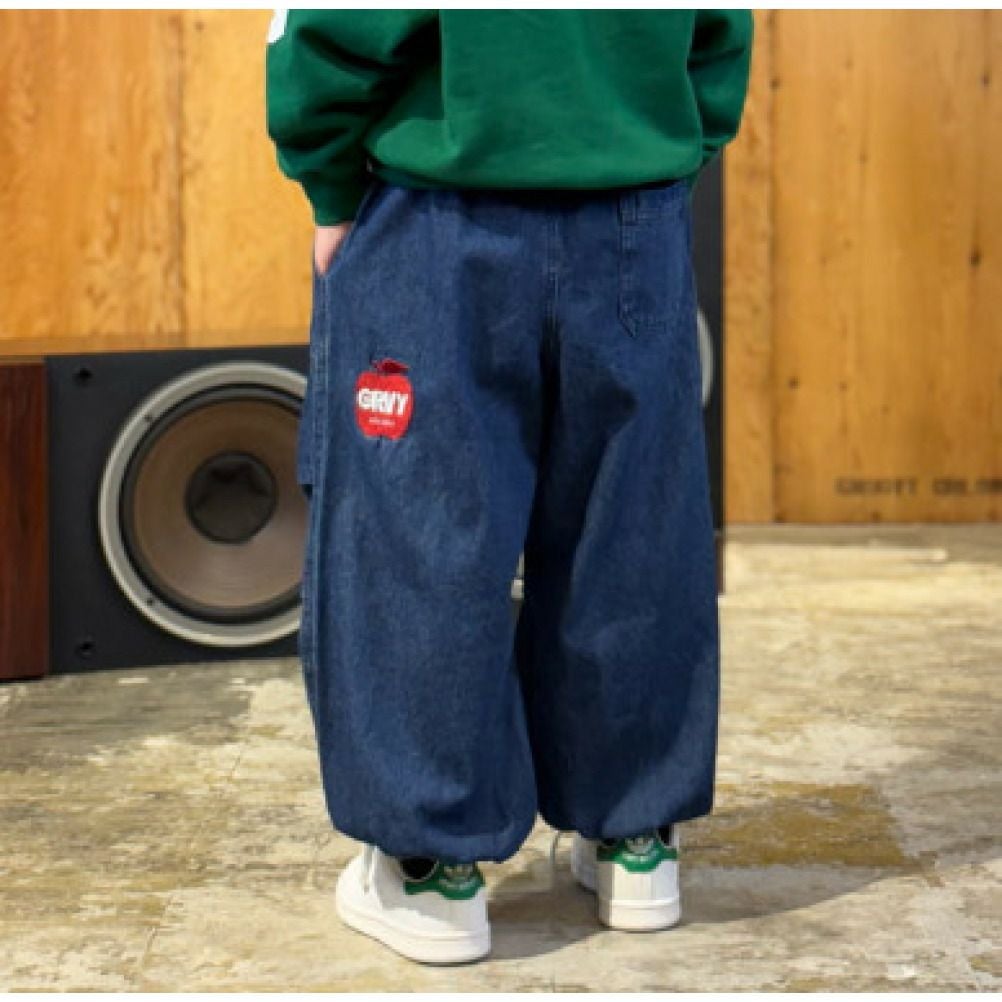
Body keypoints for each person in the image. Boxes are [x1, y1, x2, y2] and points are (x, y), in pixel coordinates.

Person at [266, 9, 753, 965]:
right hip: (635, 210)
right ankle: (635, 839)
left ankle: (430, 868)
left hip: (441, 217)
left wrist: (327, 184)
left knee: (421, 537)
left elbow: (329, 29)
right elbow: (718, 34)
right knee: (631, 527)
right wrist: (646, 150)